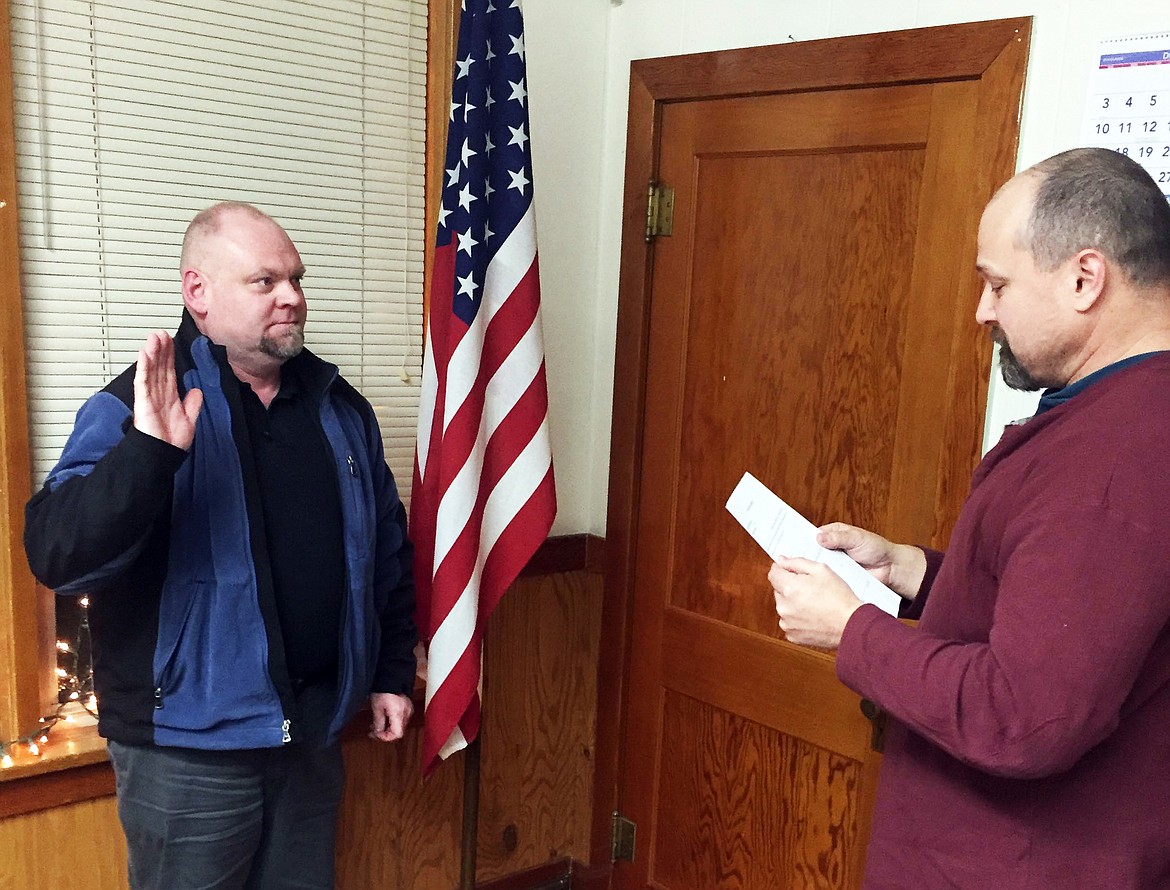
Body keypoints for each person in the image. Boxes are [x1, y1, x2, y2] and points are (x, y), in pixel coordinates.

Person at [767, 147, 1170, 889]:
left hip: (1020, 862)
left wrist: (852, 630)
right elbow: (1073, 611)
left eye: (997, 284)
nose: (983, 311)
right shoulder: (1118, 412)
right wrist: (917, 573)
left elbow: (1027, 713)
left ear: (1085, 279)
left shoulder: (1118, 455)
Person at [24, 202, 417, 890]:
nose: (292, 296)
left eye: (295, 278)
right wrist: (148, 455)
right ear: (197, 293)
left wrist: (387, 671)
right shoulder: (138, 404)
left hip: (312, 736)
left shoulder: (341, 407)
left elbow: (384, 551)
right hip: (187, 755)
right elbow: (59, 554)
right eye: (265, 282)